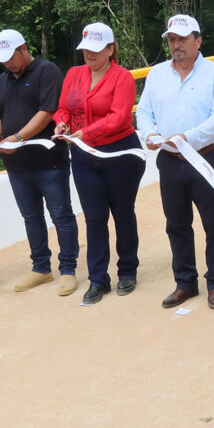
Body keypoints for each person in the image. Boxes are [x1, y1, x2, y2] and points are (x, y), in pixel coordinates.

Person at [137, 14, 214, 310]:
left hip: (205, 158)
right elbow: (143, 111)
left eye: (182, 39)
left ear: (198, 41)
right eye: (172, 40)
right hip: (169, 160)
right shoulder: (156, 74)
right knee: (176, 223)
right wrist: (150, 134)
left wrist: (187, 137)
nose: (176, 45)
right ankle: (185, 282)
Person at [54, 22, 146, 305]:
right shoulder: (74, 74)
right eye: (85, 50)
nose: (89, 55)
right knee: (94, 218)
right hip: (84, 155)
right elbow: (63, 108)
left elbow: (120, 118)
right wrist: (61, 124)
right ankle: (98, 279)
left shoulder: (122, 78)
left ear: (110, 48)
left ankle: (127, 270)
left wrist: (86, 132)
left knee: (122, 212)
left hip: (119, 153)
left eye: (95, 50)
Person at [0, 29, 80, 296]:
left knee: (61, 214)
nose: (7, 63)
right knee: (30, 217)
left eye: (10, 57)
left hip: (49, 161)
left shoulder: (47, 71)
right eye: (3, 59)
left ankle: (68, 269)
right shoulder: (3, 80)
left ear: (24, 49)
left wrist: (16, 137)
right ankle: (40, 267)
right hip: (17, 166)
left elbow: (47, 112)